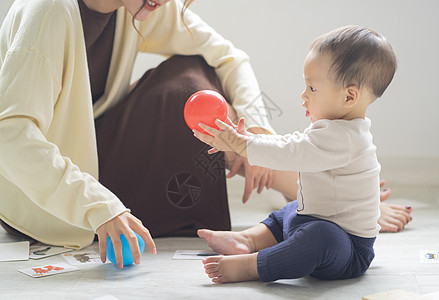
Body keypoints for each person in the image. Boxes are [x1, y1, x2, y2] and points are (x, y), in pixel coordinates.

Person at [0, 0, 277, 269]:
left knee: (195, 76)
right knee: (187, 88)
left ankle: (307, 197)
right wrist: (98, 205)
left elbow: (229, 56)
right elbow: (10, 138)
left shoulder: (137, 6)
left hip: (96, 147)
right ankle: (309, 197)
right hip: (36, 195)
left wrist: (257, 131)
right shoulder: (49, 10)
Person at [194, 25, 398, 283]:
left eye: (312, 88)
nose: (303, 95)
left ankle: (251, 265)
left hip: (346, 249)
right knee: (290, 211)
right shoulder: (334, 128)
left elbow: (293, 152)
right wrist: (247, 140)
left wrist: (241, 144)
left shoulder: (346, 138)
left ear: (349, 96)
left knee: (320, 237)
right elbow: (293, 143)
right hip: (312, 219)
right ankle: (248, 239)